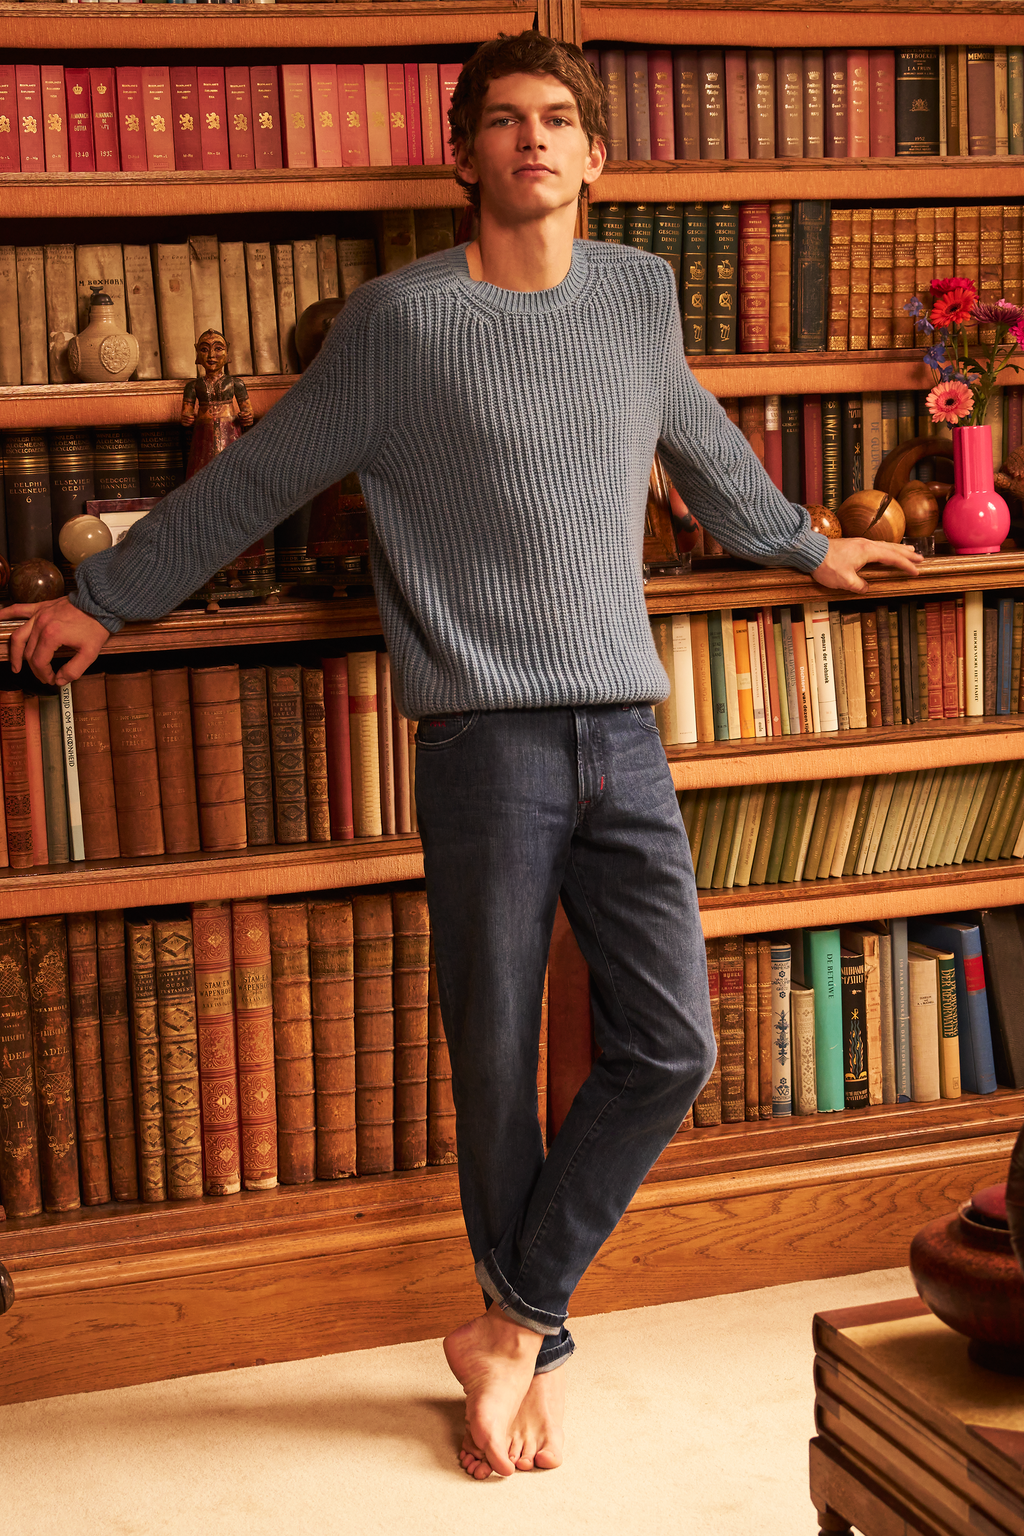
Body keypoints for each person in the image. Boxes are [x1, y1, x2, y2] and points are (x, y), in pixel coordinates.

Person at [0, 30, 922, 1484]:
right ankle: (522, 1340)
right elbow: (253, 478)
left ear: (596, 157)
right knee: (493, 1059)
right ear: (464, 154)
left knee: (673, 1042)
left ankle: (509, 1316)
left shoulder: (638, 296)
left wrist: (809, 545)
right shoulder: (398, 327)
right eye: (506, 122)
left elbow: (697, 438)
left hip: (624, 723)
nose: (535, 142)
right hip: (482, 740)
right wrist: (99, 598)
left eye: (560, 121)